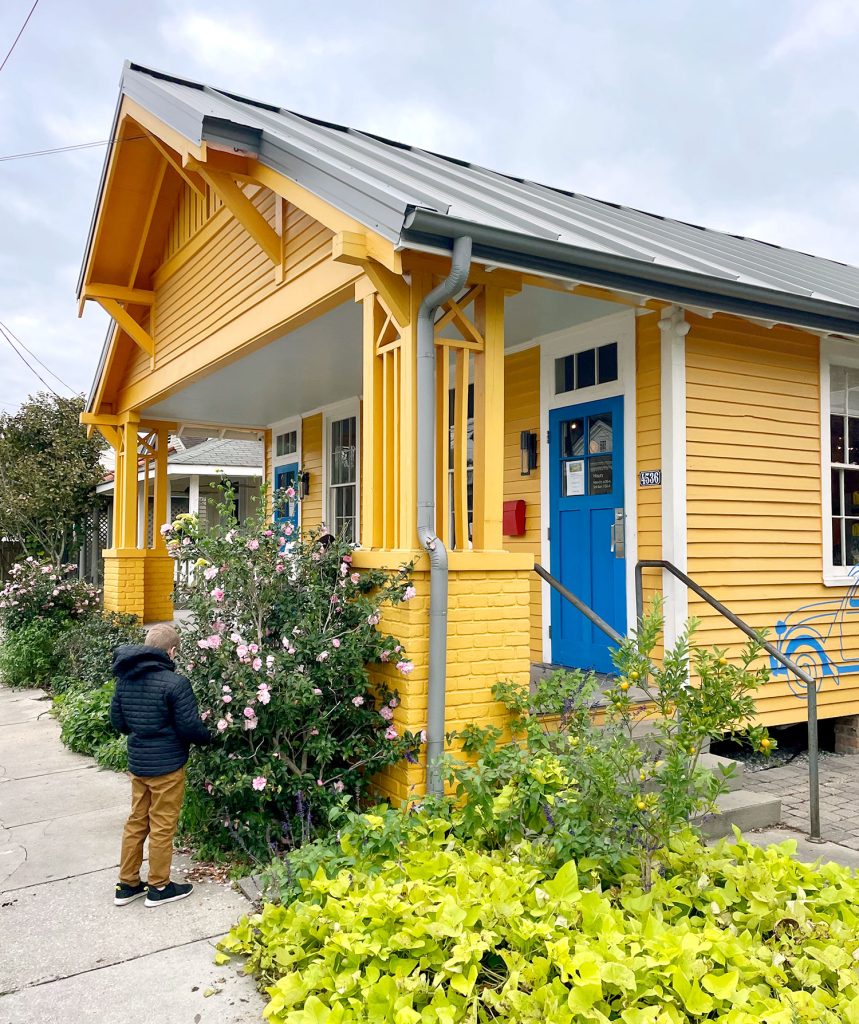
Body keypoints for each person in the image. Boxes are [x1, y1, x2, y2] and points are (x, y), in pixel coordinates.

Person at [109, 623, 211, 907]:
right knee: (163, 825)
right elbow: (190, 728)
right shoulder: (175, 683)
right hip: (167, 767)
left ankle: (127, 884)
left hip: (139, 764)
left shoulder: (125, 678)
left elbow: (118, 722)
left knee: (136, 822)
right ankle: (159, 887)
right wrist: (209, 738)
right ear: (172, 651)